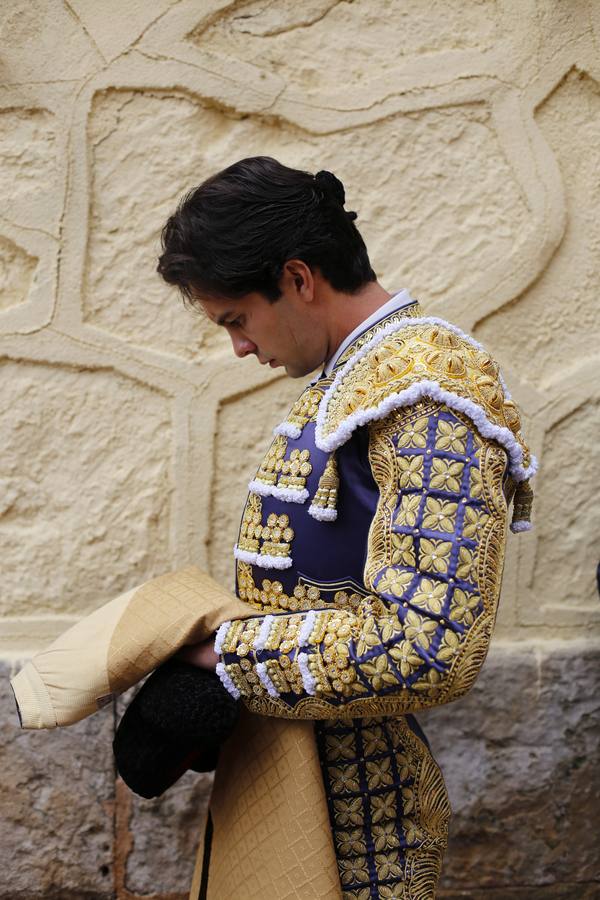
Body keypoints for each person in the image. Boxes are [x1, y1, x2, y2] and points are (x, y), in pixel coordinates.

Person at [155, 155, 536, 900]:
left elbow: (431, 646)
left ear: (298, 279)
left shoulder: (430, 387)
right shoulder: (355, 374)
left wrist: (222, 659)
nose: (237, 346)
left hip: (366, 830)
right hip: (300, 788)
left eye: (237, 319)